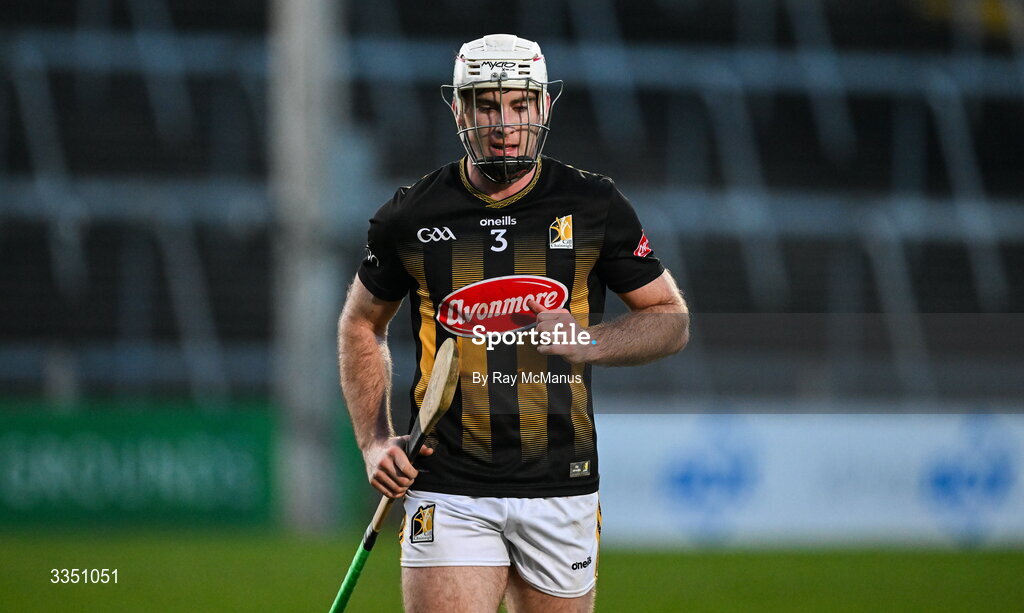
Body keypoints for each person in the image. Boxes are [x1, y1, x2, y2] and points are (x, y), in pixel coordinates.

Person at [338, 33, 689, 613]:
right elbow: (360, 324)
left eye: (520, 104)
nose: (504, 122)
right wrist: (374, 441)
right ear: (459, 109)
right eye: (486, 104)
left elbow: (669, 320)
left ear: (544, 106)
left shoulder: (594, 204)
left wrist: (590, 341)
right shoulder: (411, 214)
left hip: (561, 482)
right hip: (447, 482)